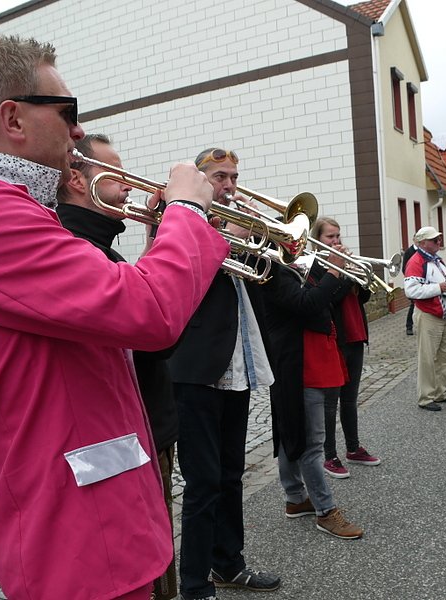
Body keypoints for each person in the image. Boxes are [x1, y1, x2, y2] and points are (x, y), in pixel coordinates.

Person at [0, 32, 228, 600]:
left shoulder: (14, 208)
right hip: (80, 535)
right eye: (67, 112)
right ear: (12, 118)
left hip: (104, 514)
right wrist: (186, 210)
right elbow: (149, 310)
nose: (78, 129)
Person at [57, 133, 179, 600]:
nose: (128, 186)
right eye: (115, 175)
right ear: (75, 180)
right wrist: (180, 227)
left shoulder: (99, 247)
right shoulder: (81, 248)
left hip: (140, 431)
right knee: (150, 570)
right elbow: (158, 336)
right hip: (130, 439)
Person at [168, 148, 280, 600]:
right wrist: (225, 236)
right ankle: (195, 585)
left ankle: (229, 563)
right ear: (198, 180)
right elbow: (178, 279)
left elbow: (263, 275)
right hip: (196, 371)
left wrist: (264, 239)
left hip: (238, 366)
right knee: (203, 483)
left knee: (232, 473)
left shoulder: (233, 221)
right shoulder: (173, 220)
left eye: (234, 177)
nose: (230, 185)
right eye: (220, 177)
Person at [261, 249, 364, 540]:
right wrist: (333, 272)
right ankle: (325, 510)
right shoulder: (273, 270)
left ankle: (295, 498)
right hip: (299, 365)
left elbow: (326, 298)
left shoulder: (295, 268)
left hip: (309, 360)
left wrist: (336, 272)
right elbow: (308, 302)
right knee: (311, 442)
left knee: (291, 431)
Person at [310, 217, 381, 479]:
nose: (336, 241)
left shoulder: (343, 263)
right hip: (335, 339)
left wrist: (359, 279)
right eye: (330, 237)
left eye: (338, 236)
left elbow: (363, 296)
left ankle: (353, 448)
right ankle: (329, 456)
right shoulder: (316, 266)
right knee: (330, 403)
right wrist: (341, 273)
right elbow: (326, 299)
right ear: (318, 239)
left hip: (355, 335)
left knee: (350, 399)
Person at [403, 226, 446, 411]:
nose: (438, 242)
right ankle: (426, 397)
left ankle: (441, 392)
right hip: (429, 315)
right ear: (421, 243)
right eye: (434, 239)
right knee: (428, 358)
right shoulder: (417, 260)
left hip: (444, 315)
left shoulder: (435, 259)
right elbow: (411, 290)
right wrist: (439, 288)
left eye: (439, 238)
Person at [402, 235, 419, 335]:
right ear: (414, 240)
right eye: (416, 239)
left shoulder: (422, 251)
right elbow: (405, 268)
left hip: (422, 282)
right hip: (412, 281)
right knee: (413, 304)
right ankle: (409, 326)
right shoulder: (409, 252)